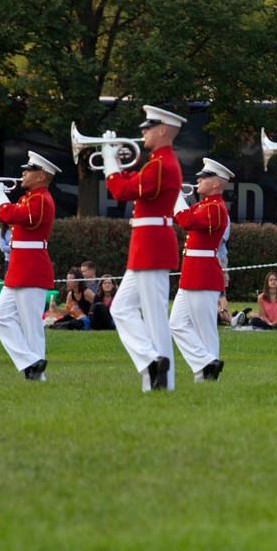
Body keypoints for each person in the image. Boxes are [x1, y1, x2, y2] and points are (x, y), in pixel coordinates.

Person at [101, 105, 185, 391]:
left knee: (155, 317)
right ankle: (151, 361)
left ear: (163, 131)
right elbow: (132, 184)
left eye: (148, 128)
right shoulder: (157, 163)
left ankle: (163, 382)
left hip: (152, 248)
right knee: (121, 308)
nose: (143, 133)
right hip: (146, 248)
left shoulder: (161, 165)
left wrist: (110, 162)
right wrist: (115, 163)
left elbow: (121, 191)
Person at [0, 151, 59, 380]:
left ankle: (37, 375)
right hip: (19, 268)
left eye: (29, 170)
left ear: (41, 177)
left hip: (32, 268)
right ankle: (30, 363)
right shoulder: (30, 198)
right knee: (0, 316)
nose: (23, 173)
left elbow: (10, 213)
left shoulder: (41, 200)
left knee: (31, 326)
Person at [170, 158, 233, 382]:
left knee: (205, 330)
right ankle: (205, 364)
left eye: (203, 177)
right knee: (176, 324)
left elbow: (186, 220)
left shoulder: (216, 209)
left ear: (216, 183)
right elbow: (178, 218)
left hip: (203, 275)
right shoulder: (205, 205)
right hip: (192, 274)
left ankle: (208, 376)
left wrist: (177, 196)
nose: (198, 180)